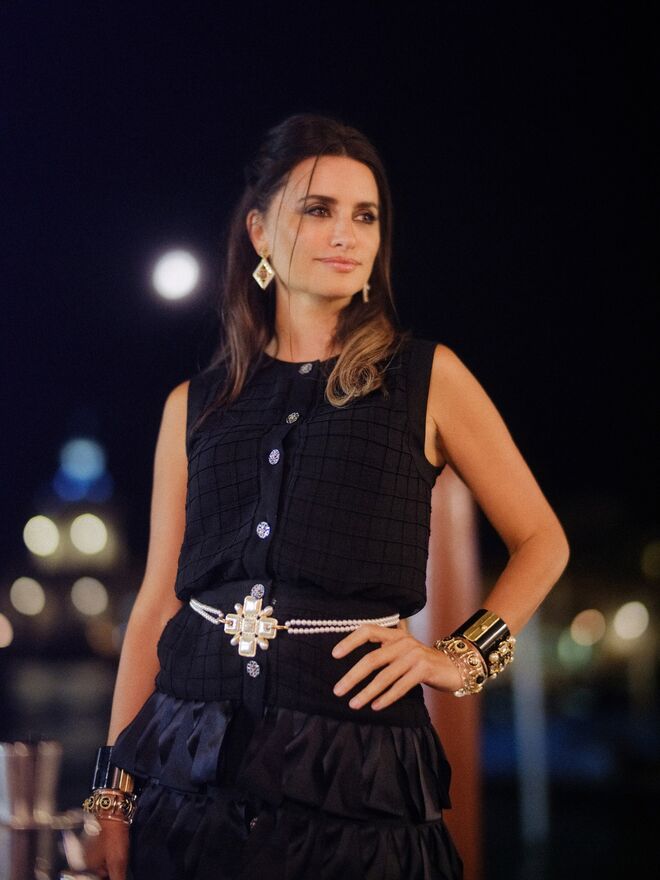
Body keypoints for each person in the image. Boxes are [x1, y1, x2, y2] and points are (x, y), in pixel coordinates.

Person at [82, 113, 570, 880]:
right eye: (319, 209)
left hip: (355, 782)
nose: (347, 234)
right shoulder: (193, 404)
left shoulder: (427, 378)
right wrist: (111, 797)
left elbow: (543, 541)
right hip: (189, 777)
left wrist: (461, 658)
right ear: (259, 232)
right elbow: (155, 606)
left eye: (365, 216)